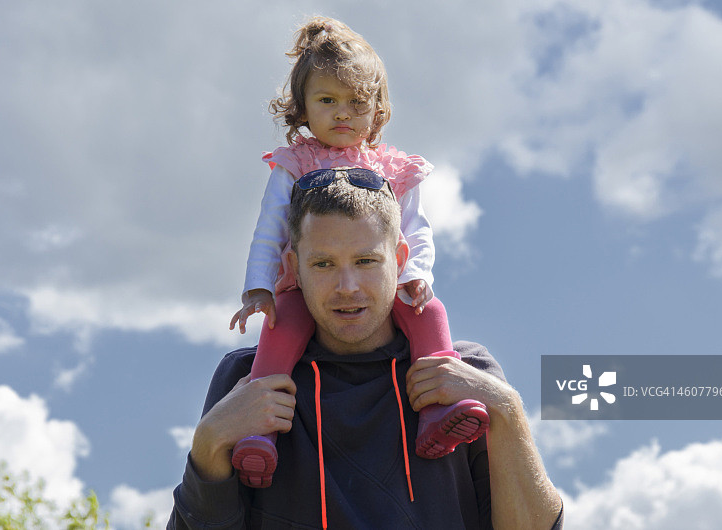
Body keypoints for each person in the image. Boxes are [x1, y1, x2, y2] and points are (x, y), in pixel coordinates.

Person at [168, 175, 563, 529]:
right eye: (323, 264)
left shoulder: (463, 373)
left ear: (401, 259)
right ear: (294, 268)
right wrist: (208, 443)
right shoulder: (247, 378)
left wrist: (507, 409)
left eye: (366, 261)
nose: (347, 286)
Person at [227, 16, 488, 489]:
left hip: (381, 283)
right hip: (306, 282)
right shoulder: (295, 165)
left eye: (356, 103)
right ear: (303, 108)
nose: (342, 114)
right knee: (281, 327)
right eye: (327, 101)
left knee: (429, 313)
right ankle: (258, 435)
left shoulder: (393, 168)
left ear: (378, 110)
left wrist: (416, 274)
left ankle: (437, 410)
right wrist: (259, 287)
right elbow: (269, 229)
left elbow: (416, 230)